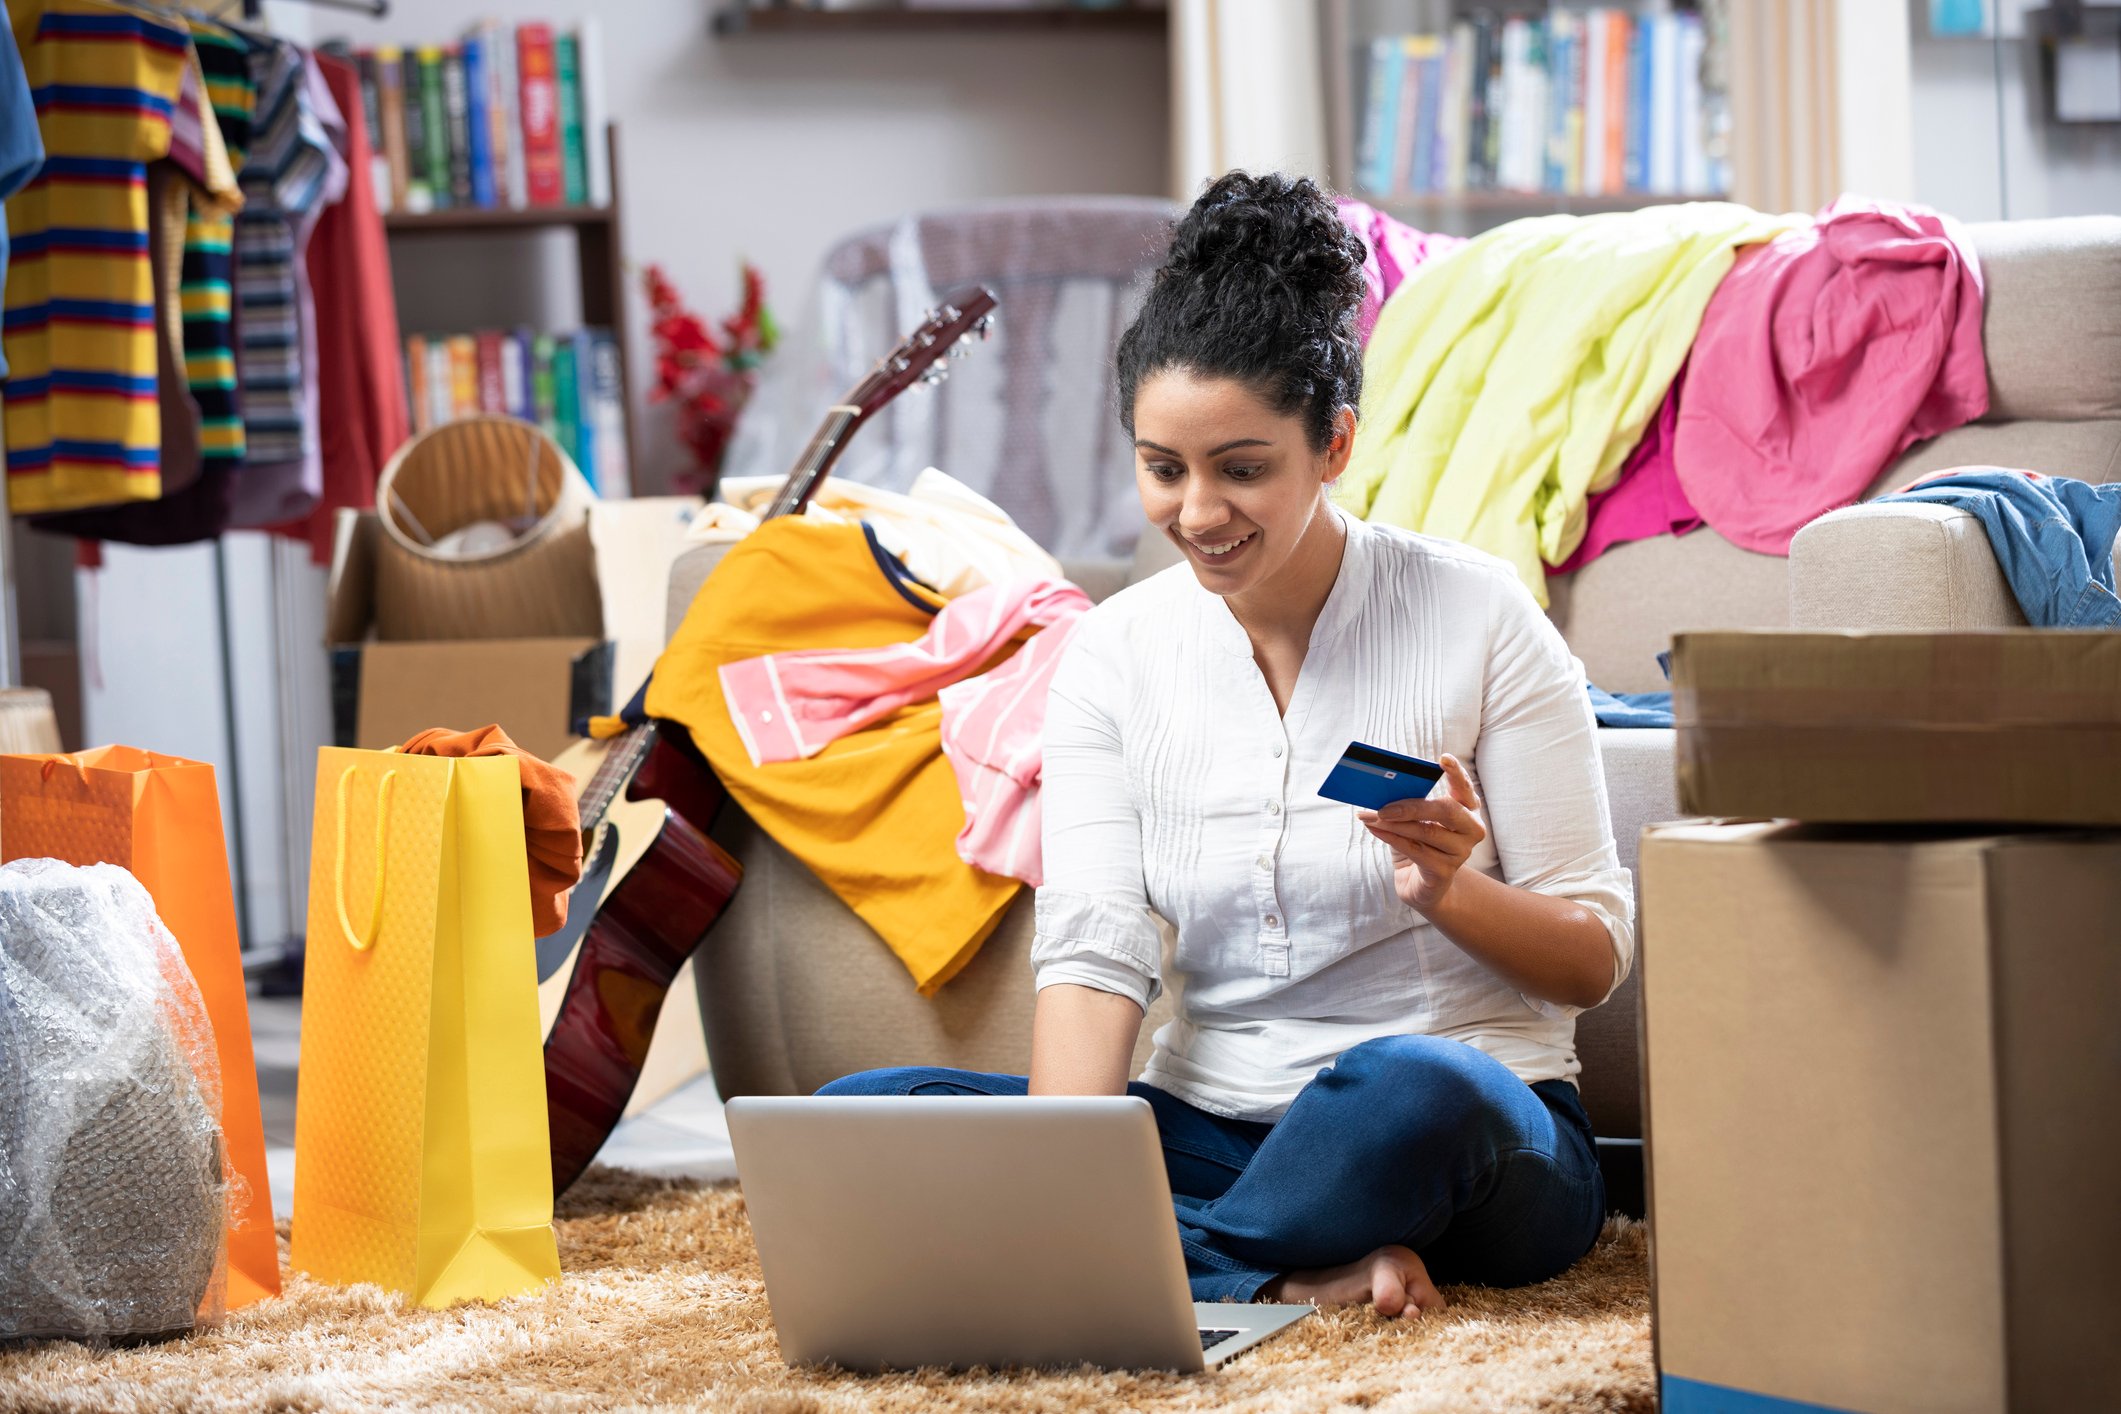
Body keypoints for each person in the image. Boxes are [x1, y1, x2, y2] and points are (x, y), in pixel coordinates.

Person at [819, 171, 1634, 1318]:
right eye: (1164, 469)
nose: (1198, 512)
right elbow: (1097, 952)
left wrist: (1450, 890)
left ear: (1334, 443)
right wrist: (1068, 1175)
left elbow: (1594, 960)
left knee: (1411, 1088)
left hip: (1462, 1127)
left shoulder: (1480, 615)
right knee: (861, 1116)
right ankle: (1280, 1274)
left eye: (1241, 468)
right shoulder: (1116, 655)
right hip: (1216, 1126)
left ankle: (1120, 1264)